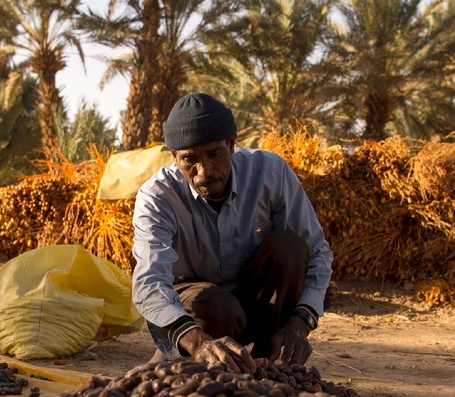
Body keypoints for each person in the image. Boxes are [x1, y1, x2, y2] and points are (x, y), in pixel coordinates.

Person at [131, 91, 333, 372]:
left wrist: (302, 321)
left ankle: (269, 357)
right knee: (217, 305)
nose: (204, 172)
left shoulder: (269, 171)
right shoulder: (157, 197)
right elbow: (149, 283)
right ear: (174, 157)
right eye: (189, 160)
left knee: (290, 247)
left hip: (256, 302)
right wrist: (198, 341)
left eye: (215, 154)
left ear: (231, 144)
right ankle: (185, 358)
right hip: (203, 310)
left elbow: (318, 253)